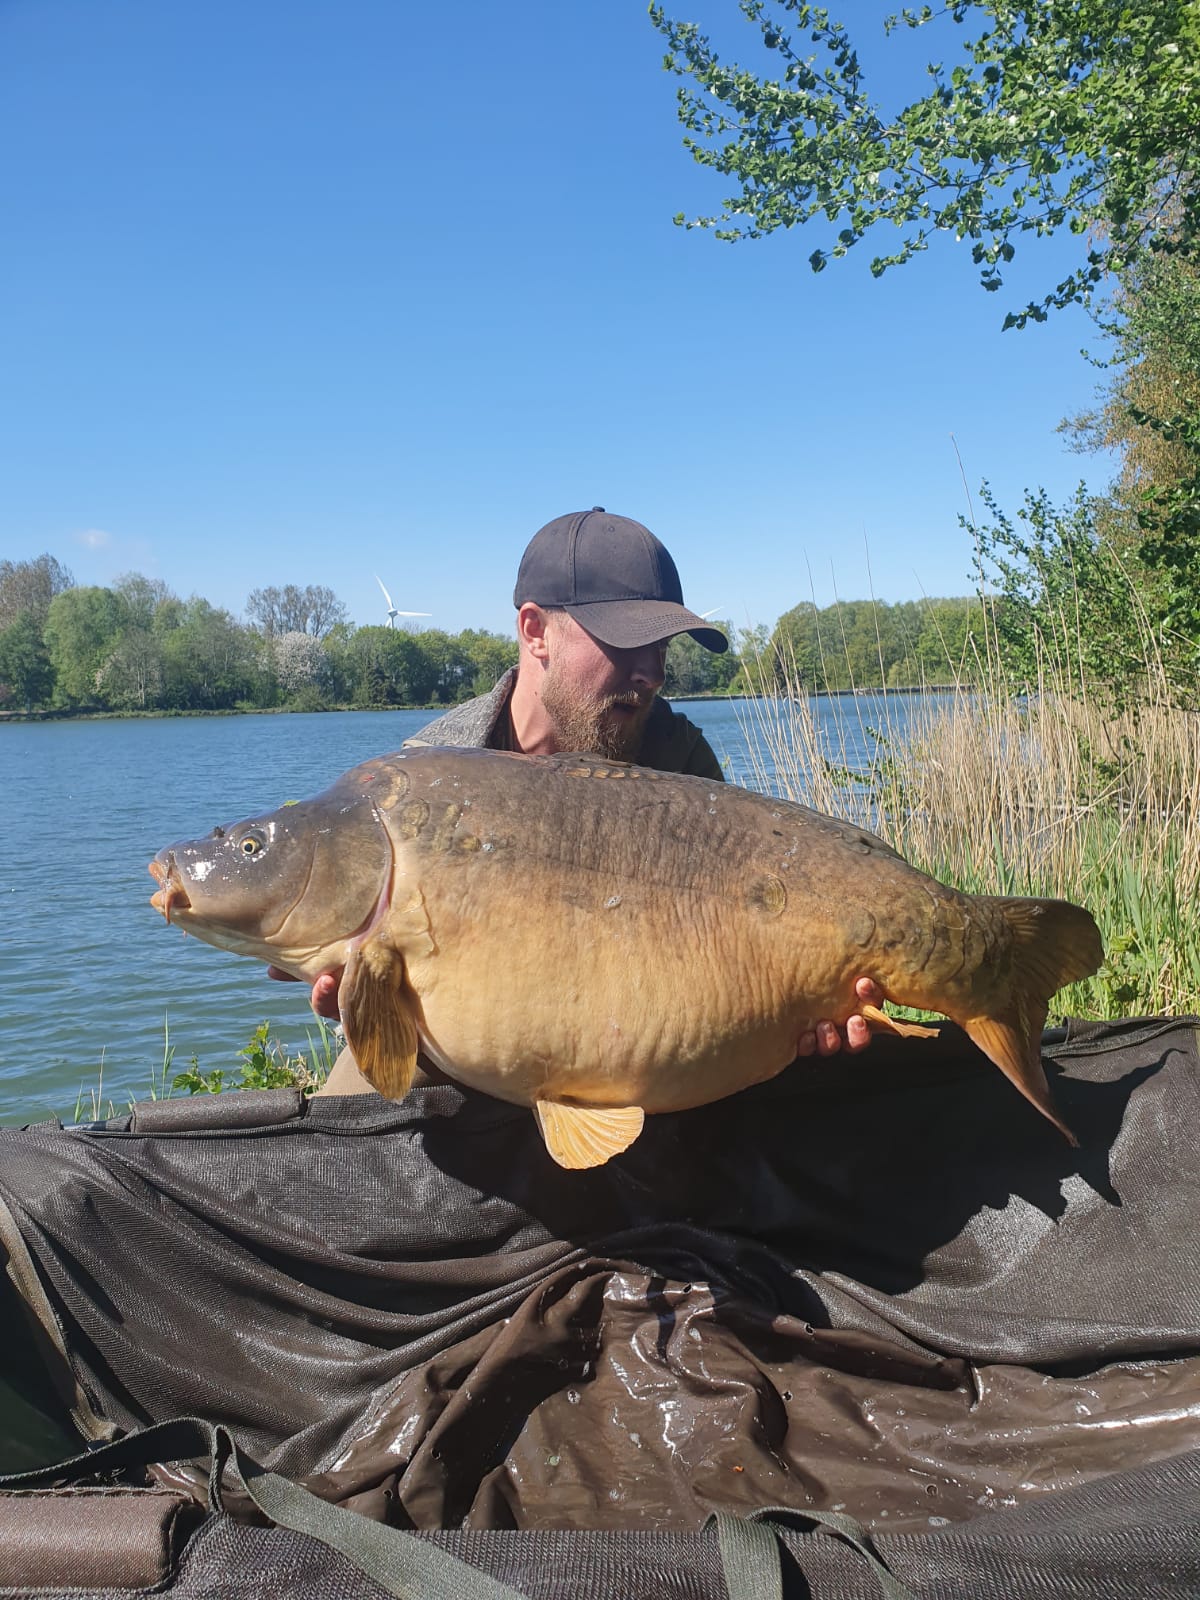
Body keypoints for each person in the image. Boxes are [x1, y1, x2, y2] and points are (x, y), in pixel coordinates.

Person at [278, 508, 881, 1091]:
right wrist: (364, 1000)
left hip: (637, 1043)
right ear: (536, 631)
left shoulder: (678, 756)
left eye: (663, 648)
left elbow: (732, 943)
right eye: (626, 645)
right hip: (466, 1050)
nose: (652, 674)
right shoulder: (420, 782)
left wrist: (800, 1006)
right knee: (344, 1125)